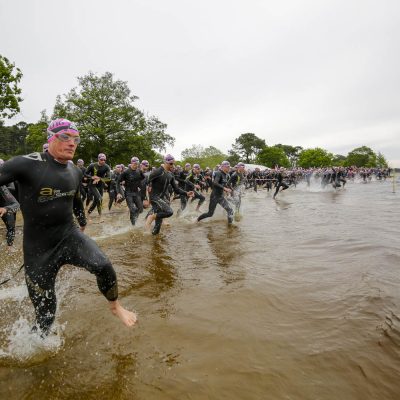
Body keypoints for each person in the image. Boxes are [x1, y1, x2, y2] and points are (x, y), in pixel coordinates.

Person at [0, 118, 136, 336]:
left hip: (68, 236)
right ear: (51, 138)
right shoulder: (26, 163)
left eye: (76, 139)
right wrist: (5, 206)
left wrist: (82, 222)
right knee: (46, 316)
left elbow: (76, 200)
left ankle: (115, 306)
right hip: (38, 249)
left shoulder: (74, 171)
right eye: (65, 137)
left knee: (103, 266)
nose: (72, 143)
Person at [146, 154, 194, 235]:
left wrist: (186, 193)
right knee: (169, 212)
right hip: (154, 197)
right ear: (165, 162)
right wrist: (146, 197)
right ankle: (151, 217)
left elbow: (176, 189)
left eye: (173, 163)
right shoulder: (158, 171)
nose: (172, 165)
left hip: (161, 198)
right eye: (170, 164)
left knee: (157, 230)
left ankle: (153, 240)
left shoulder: (170, 175)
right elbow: (146, 181)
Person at [116, 157, 145, 225]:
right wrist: (118, 193)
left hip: (136, 193)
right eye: (135, 163)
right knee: (133, 209)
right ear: (131, 163)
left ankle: (134, 220)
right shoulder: (126, 172)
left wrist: (139, 186)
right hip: (129, 193)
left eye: (137, 164)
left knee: (140, 209)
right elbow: (117, 182)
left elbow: (143, 178)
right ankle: (133, 224)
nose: (136, 165)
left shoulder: (139, 171)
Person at [85, 153, 111, 218]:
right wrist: (92, 177)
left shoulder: (106, 167)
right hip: (92, 185)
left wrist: (99, 179)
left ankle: (93, 214)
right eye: (101, 159)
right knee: (99, 199)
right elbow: (85, 174)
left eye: (104, 160)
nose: (103, 161)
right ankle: (91, 214)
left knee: (98, 200)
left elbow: (109, 178)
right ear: (98, 159)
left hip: (100, 185)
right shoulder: (92, 165)